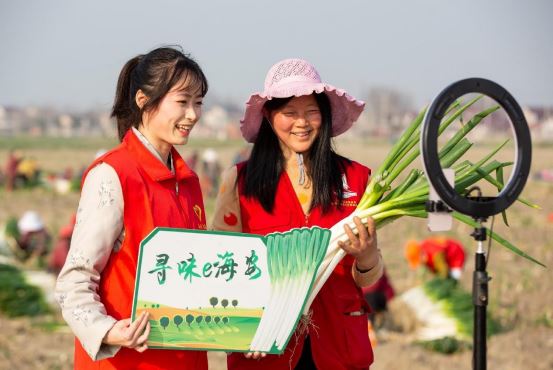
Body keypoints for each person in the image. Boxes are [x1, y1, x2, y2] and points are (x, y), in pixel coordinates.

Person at [212, 58, 384, 370]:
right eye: (289, 113)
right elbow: (222, 269)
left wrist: (368, 254)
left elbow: (369, 275)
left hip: (338, 345)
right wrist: (245, 328)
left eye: (311, 112)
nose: (301, 123)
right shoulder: (239, 182)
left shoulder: (357, 180)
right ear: (269, 115)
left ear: (325, 115)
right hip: (265, 347)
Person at [55, 46, 209, 370]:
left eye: (198, 103)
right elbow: (74, 282)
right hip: (129, 362)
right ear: (143, 100)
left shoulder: (189, 182)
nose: (193, 115)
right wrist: (109, 330)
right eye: (182, 102)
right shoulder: (112, 176)